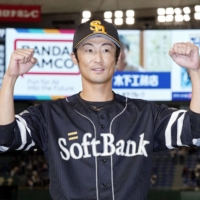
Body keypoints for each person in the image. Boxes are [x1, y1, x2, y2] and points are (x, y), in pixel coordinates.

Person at [0, 18, 200, 200]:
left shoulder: (146, 114)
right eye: (88, 50)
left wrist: (195, 71)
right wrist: (9, 79)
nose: (98, 58)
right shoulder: (49, 116)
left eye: (106, 49)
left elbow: (196, 131)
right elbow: (4, 139)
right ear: (74, 58)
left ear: (117, 58)